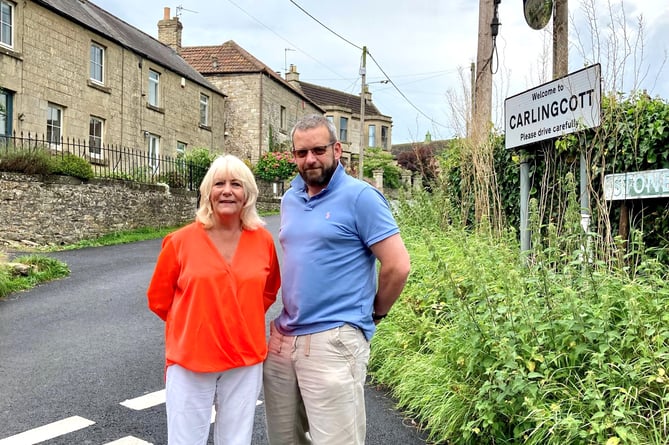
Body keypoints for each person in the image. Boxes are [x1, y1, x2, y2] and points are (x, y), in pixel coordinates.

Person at [263, 114, 411, 445]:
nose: (310, 159)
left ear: (337, 149)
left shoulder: (361, 197)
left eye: (318, 149)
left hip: (333, 339)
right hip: (285, 339)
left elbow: (398, 265)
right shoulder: (290, 199)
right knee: (284, 440)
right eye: (301, 153)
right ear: (293, 156)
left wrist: (375, 314)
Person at [147, 154, 280, 445]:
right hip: (191, 358)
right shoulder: (180, 241)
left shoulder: (263, 241)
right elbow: (159, 298)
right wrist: (196, 322)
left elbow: (268, 290)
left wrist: (236, 315)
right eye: (219, 183)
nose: (227, 190)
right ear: (207, 192)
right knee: (186, 440)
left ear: (248, 193)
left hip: (245, 358)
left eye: (236, 184)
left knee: (236, 439)